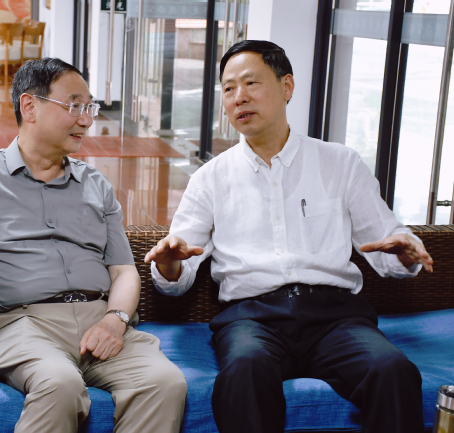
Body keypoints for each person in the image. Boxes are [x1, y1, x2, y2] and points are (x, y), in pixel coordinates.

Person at [0, 58, 187, 433]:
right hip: (22, 326)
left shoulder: (96, 184)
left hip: (101, 320)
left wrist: (115, 320)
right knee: (60, 385)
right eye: (74, 106)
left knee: (164, 383)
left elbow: (123, 270)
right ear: (30, 107)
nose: (87, 120)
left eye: (89, 107)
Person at [145, 40, 433, 433]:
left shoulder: (340, 163)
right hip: (252, 320)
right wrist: (169, 263)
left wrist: (405, 252)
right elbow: (176, 277)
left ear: (287, 87)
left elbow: (388, 242)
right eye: (228, 88)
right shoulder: (210, 178)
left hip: (336, 318)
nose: (239, 97)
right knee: (244, 371)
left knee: (392, 370)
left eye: (251, 83)